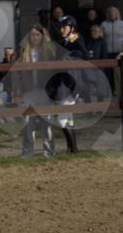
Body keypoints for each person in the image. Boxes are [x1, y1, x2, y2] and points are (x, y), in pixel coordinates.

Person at [10, 26, 57, 157]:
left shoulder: (50, 52)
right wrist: (17, 93)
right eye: (33, 34)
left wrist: (54, 92)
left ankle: (49, 153)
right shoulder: (22, 52)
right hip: (28, 92)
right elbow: (15, 75)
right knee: (27, 125)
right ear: (29, 37)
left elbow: (56, 73)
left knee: (47, 124)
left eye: (38, 35)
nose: (35, 37)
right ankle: (27, 153)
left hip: (45, 92)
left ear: (42, 36)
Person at [46, 16, 84, 153]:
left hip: (72, 83)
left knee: (62, 118)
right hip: (62, 82)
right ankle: (72, 148)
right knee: (68, 116)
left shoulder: (77, 39)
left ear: (72, 28)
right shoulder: (61, 42)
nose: (61, 30)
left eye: (64, 27)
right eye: (60, 27)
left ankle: (73, 148)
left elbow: (84, 53)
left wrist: (70, 56)